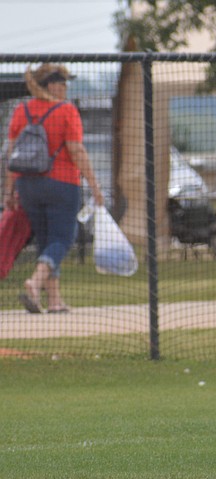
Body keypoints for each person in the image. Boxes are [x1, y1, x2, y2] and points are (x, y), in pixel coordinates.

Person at [4, 63, 104, 314]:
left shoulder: (22, 110)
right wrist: (94, 184)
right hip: (62, 183)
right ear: (52, 85)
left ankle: (55, 301)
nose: (65, 88)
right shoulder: (66, 111)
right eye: (62, 83)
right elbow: (77, 150)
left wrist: (9, 191)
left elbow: (11, 154)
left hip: (28, 185)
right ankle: (35, 283)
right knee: (63, 238)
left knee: (46, 240)